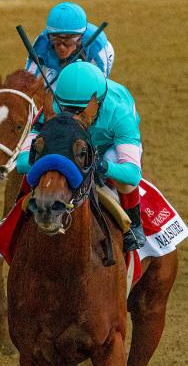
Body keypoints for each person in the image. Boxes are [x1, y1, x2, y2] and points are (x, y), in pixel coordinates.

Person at [16, 62, 145, 253]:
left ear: (97, 105)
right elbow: (21, 163)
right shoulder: (54, 104)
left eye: (80, 111)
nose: (74, 117)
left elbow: (132, 174)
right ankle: (18, 216)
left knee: (124, 183)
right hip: (73, 145)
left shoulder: (120, 113)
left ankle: (134, 225)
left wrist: (99, 164)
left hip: (106, 146)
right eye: (68, 109)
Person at [25, 2, 115, 88]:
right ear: (49, 36)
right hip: (58, 65)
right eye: (56, 39)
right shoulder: (41, 44)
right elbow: (28, 80)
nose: (61, 47)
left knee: (85, 88)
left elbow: (101, 85)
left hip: (90, 60)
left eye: (69, 40)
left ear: (80, 38)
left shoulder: (96, 45)